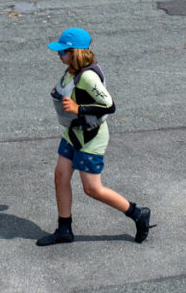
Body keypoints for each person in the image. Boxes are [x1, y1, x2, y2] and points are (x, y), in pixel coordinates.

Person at [37, 27, 152, 246]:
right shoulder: (71, 70)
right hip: (73, 133)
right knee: (61, 176)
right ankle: (64, 229)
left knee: (92, 189)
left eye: (62, 52)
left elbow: (109, 105)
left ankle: (138, 214)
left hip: (90, 137)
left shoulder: (88, 76)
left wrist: (78, 109)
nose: (58, 55)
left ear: (76, 53)